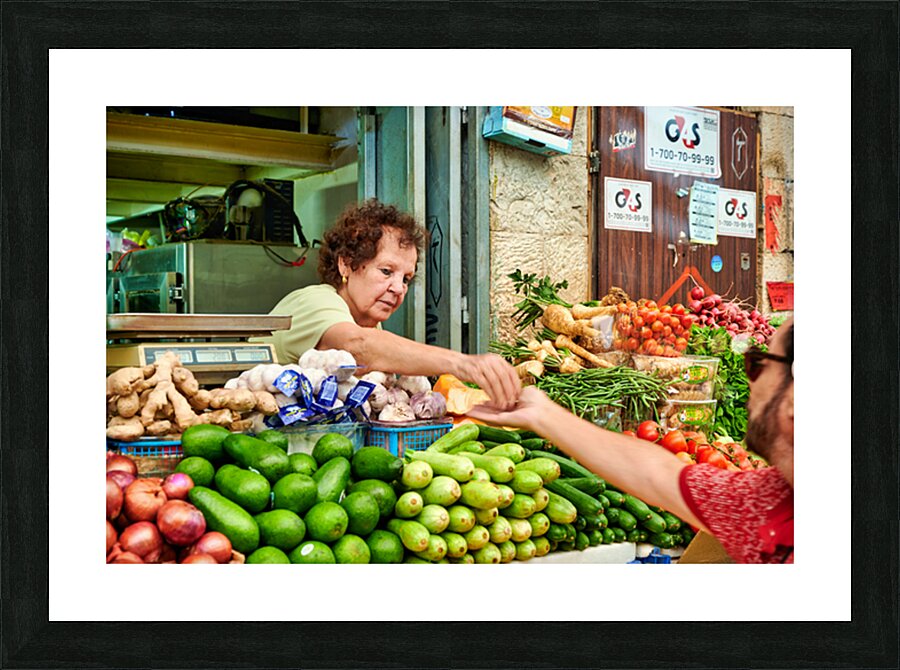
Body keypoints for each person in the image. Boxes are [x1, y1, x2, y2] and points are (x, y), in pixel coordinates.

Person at [469, 318, 795, 564]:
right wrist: (541, 413)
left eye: (760, 365)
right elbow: (656, 472)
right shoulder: (765, 500)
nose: (753, 382)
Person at [254, 199, 522, 410]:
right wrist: (463, 364)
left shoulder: (372, 326)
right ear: (346, 263)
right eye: (386, 271)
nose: (398, 288)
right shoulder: (315, 300)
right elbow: (357, 348)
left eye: (406, 278)